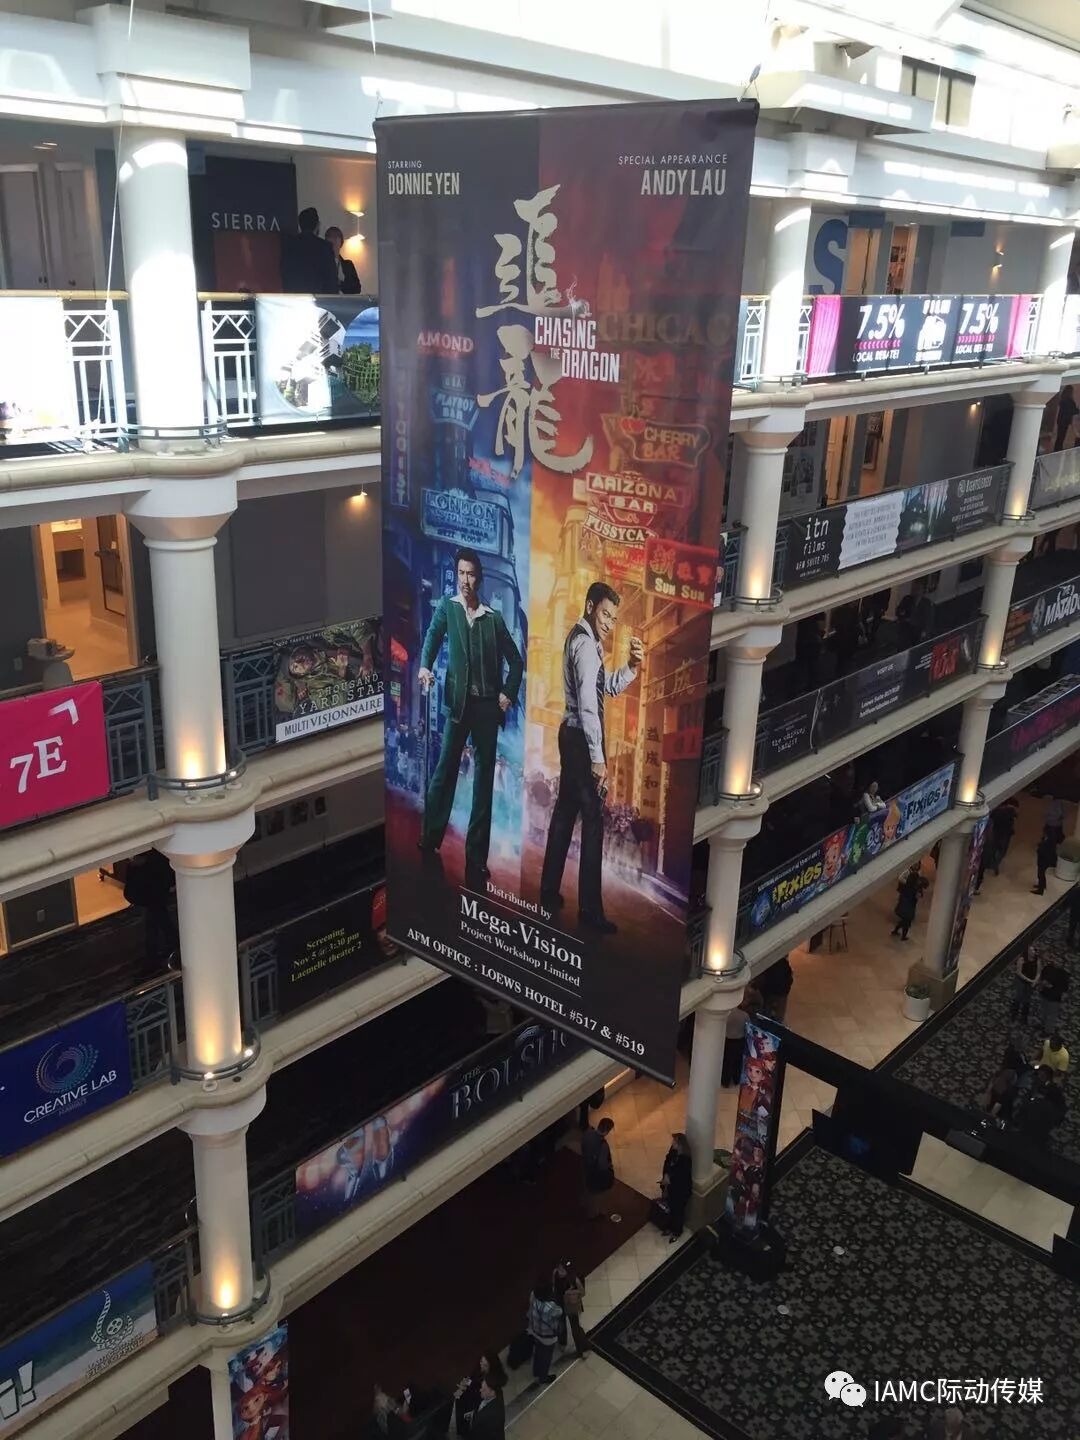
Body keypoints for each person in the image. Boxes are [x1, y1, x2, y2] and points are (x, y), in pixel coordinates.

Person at [540, 582, 644, 933]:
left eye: (614, 618)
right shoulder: (585, 645)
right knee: (594, 820)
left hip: (571, 736)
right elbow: (588, 706)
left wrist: (631, 666)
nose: (609, 623)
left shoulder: (584, 640)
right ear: (589, 607)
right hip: (581, 741)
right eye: (605, 614)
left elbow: (605, 687)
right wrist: (598, 758)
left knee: (564, 813)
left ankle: (548, 892)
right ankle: (590, 912)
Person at [417, 549, 523, 887]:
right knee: (444, 771)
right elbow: (432, 638)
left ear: (480, 578)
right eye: (461, 573)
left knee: (483, 784)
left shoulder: (493, 618)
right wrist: (425, 667)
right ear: (457, 575)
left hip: (487, 709)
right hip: (458, 707)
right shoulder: (448, 609)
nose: (465, 580)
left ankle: (476, 859)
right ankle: (429, 837)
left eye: (471, 574)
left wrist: (507, 694)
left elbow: (516, 661)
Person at [123, 849, 178, 963]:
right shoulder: (154, 861)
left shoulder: (153, 864)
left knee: (156, 924)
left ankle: (155, 955)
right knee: (159, 922)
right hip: (154, 896)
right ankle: (169, 947)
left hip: (153, 896)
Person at [281, 206, 337, 294]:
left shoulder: (288, 245)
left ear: (300, 225)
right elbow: (331, 282)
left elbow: (284, 275)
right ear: (317, 225)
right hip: (318, 299)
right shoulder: (324, 247)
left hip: (293, 297)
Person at [454, 1353, 507, 1436]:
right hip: (465, 1399)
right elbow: (468, 1378)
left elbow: (484, 1401)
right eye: (481, 1362)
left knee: (469, 1425)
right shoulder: (478, 1369)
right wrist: (459, 1391)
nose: (481, 1365)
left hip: (474, 1404)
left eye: (485, 1365)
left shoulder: (492, 1383)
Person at [525, 1280, 562, 1384]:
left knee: (538, 1353)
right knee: (546, 1358)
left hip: (536, 1331)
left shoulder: (534, 1298)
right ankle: (543, 1377)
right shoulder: (551, 1307)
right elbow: (560, 1312)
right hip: (548, 1337)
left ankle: (536, 1372)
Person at [659, 1132, 693, 1241]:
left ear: (680, 1145)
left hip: (680, 1190)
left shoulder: (686, 1160)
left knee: (678, 1211)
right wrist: (666, 1175)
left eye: (674, 1141)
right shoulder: (673, 1151)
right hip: (671, 1187)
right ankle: (669, 1227)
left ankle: (677, 1231)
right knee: (670, 1207)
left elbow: (682, 1176)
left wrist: (669, 1179)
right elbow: (667, 1161)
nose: (672, 1143)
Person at [580, 1116, 616, 1219]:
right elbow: (602, 1165)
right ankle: (594, 1214)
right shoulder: (603, 1145)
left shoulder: (587, 1134)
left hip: (587, 1168)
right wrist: (609, 1167)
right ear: (607, 1131)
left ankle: (586, 1205)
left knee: (588, 1189)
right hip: (597, 1174)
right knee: (597, 1194)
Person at [552, 1261, 588, 1357]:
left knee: (575, 1328)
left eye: (562, 1268)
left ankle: (583, 1348)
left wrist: (571, 1293)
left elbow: (583, 1293)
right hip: (560, 1303)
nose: (560, 1271)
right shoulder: (555, 1273)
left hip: (571, 1305)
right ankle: (562, 1342)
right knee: (561, 1324)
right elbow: (554, 1287)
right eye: (559, 1268)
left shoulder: (573, 1279)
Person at [1036, 955, 1070, 1032]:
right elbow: (1041, 976)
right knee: (1043, 1012)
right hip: (1044, 994)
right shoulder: (1048, 968)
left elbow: (1064, 988)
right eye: (1057, 960)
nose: (1057, 963)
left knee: (1051, 1015)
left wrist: (1051, 987)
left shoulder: (1064, 974)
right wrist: (1042, 983)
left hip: (1054, 998)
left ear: (1063, 964)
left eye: (1060, 962)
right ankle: (1042, 1025)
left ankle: (1048, 1031)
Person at [891, 865, 926, 940]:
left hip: (903, 906)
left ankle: (895, 931)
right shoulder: (915, 888)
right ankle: (903, 936)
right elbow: (918, 896)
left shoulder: (907, 886)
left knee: (904, 921)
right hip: (909, 907)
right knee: (907, 923)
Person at [756, 955, 794, 1023]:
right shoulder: (783, 964)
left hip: (770, 991)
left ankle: (766, 1021)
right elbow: (789, 979)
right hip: (779, 991)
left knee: (767, 1010)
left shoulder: (765, 965)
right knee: (779, 1012)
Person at [323, 225, 361, 293]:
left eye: (336, 237)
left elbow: (357, 288)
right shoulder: (322, 263)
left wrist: (340, 284)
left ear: (341, 241)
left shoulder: (348, 265)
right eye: (331, 237)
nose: (334, 240)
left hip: (345, 299)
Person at [987, 797, 1019, 874]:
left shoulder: (997, 810)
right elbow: (1015, 817)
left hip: (996, 832)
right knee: (1001, 850)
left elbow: (992, 818)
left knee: (993, 848)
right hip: (1005, 834)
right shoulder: (1011, 812)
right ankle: (995, 865)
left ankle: (990, 863)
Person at [468, 1375, 506, 1440]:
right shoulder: (495, 1395)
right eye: (481, 1387)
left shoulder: (491, 1416)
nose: (480, 1390)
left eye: (484, 1390)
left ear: (492, 1392)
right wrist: (474, 1414)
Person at [1010, 946, 1041, 1024]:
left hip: (1031, 982)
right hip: (1021, 981)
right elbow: (1019, 972)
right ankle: (1014, 1014)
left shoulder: (1037, 960)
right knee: (1019, 997)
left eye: (1033, 950)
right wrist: (1030, 980)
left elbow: (1038, 972)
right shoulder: (1022, 959)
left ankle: (1024, 1017)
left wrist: (1035, 981)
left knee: (1027, 1000)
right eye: (1031, 950)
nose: (1032, 952)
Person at [722, 1004, 749, 1086]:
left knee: (727, 1062)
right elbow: (748, 1029)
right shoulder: (744, 1015)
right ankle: (736, 1079)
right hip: (739, 1041)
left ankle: (725, 1081)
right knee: (738, 1061)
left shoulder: (725, 1015)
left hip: (728, 1041)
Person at [1032, 827, 1058, 895]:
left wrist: (1040, 848)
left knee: (1041, 874)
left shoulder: (1050, 841)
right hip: (1043, 859)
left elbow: (1046, 850)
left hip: (1045, 860)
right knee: (1041, 874)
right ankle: (1043, 885)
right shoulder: (1047, 838)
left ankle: (1040, 890)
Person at [1055, 382, 1078, 450]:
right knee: (1062, 437)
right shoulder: (1070, 401)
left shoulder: (1062, 400)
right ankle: (1058, 449)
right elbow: (1073, 411)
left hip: (1060, 420)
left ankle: (1057, 449)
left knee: (1059, 437)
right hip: (1065, 421)